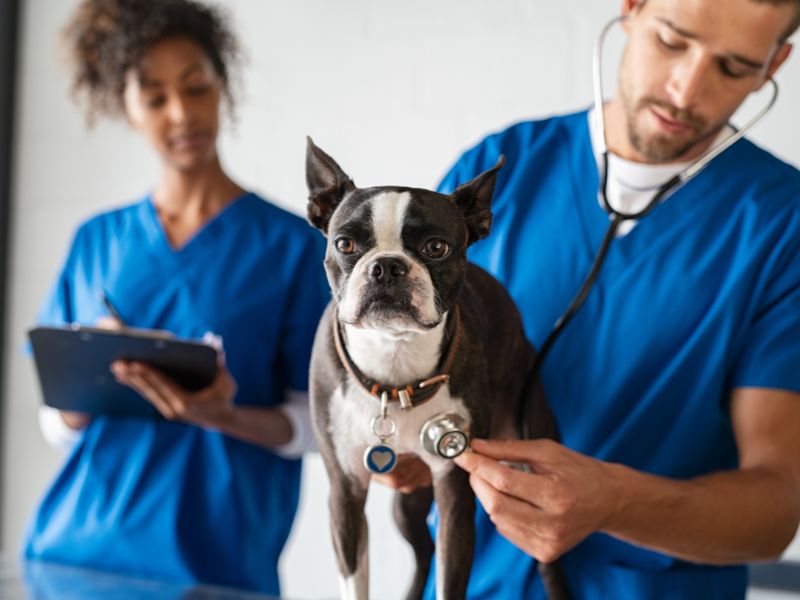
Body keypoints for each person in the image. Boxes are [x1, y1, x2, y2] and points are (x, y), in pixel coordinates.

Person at [382, 0, 800, 598]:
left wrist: (618, 503)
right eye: (673, 41)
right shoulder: (498, 171)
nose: (686, 89)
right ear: (631, 8)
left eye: (733, 69)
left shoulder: (784, 227)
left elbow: (775, 509)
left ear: (775, 64)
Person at [22, 0, 328, 595]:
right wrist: (91, 381)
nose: (182, 113)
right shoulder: (97, 241)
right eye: (156, 97)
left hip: (214, 570)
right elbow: (58, 422)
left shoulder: (292, 248)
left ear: (222, 86)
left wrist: (223, 416)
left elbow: (318, 426)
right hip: (70, 558)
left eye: (196, 87)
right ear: (126, 107)